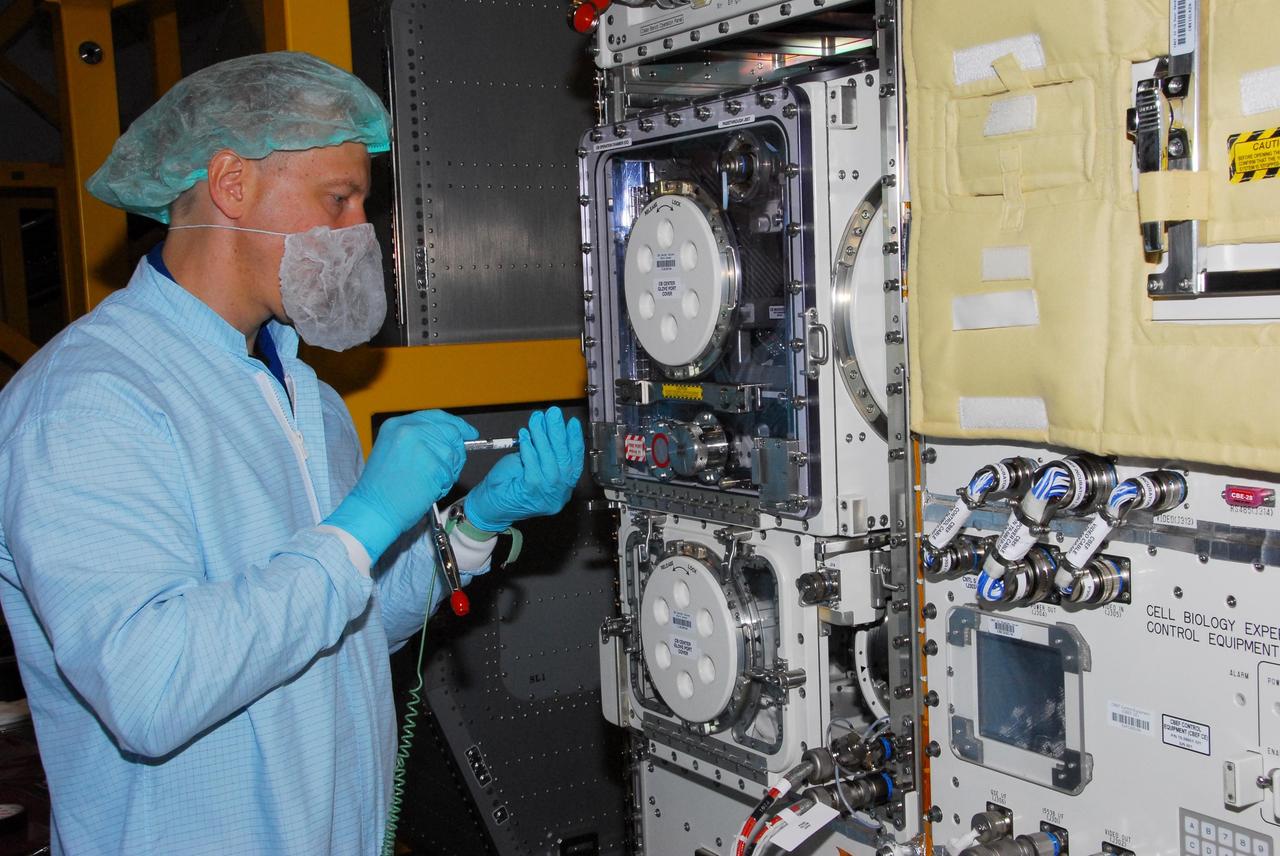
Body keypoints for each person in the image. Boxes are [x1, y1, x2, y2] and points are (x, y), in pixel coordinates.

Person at [0, 51, 583, 855]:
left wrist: (473, 525)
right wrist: (364, 523)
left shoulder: (302, 392)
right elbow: (151, 686)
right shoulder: (93, 398)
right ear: (232, 183)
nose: (358, 235)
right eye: (336, 200)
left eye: (362, 207)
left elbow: (342, 618)